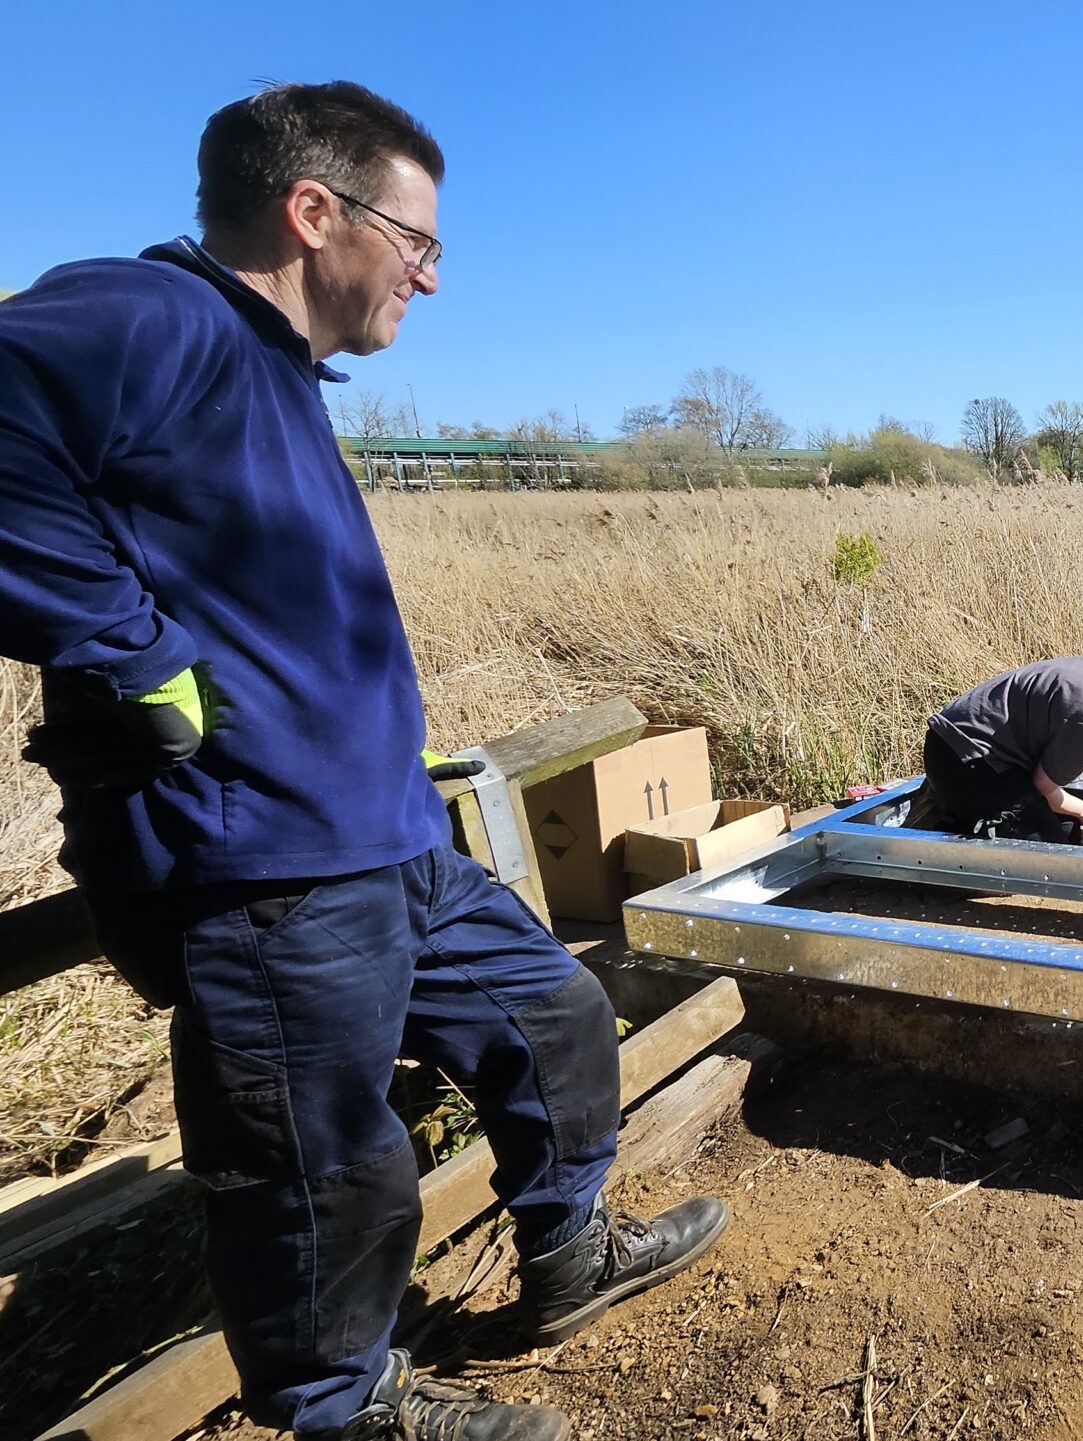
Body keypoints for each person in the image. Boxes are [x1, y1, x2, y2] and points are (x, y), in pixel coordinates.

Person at [0, 83, 724, 1441]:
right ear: (312, 211)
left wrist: (367, 723)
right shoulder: (159, 318)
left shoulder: (269, 370)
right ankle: (343, 1407)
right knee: (324, 1161)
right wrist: (123, 649)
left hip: (379, 830)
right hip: (261, 861)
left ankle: (567, 1253)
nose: (429, 278)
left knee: (555, 1018)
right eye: (418, 241)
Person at [903, 658, 1083, 838]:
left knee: (1064, 826)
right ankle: (946, 820)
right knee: (1047, 843)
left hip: (975, 741)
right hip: (961, 757)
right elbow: (1044, 786)